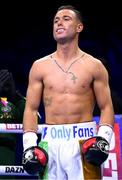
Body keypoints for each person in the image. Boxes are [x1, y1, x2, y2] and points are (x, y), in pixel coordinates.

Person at [22, 5, 114, 180]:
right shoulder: (39, 66)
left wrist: (103, 140)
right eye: (56, 20)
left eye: (66, 19)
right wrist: (29, 146)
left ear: (79, 27)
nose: (59, 23)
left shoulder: (94, 66)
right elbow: (31, 109)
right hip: (50, 143)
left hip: (83, 143)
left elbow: (106, 107)